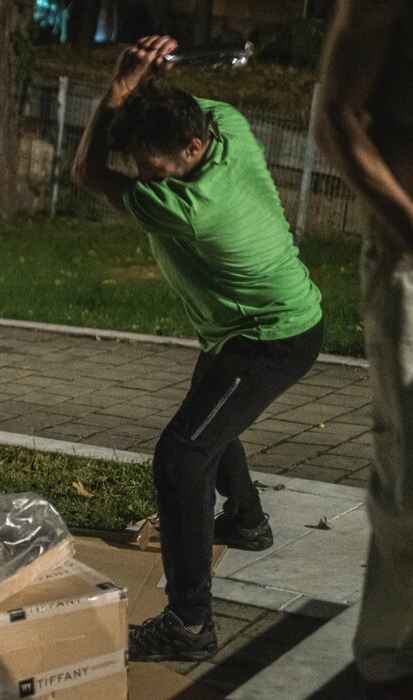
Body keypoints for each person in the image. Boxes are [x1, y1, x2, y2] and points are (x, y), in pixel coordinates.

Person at [72, 35, 323, 662]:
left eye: (151, 168)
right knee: (209, 415)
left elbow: (85, 173)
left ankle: (188, 624)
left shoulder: (190, 207)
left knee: (182, 454)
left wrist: (119, 86)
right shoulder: (225, 124)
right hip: (255, 323)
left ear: (190, 149)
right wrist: (149, 85)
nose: (144, 177)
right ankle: (246, 520)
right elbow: (174, 114)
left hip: (269, 339)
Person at [315, 2, 413, 696]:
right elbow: (334, 117)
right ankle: (389, 653)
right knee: (409, 472)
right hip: (409, 253)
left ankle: (388, 650)